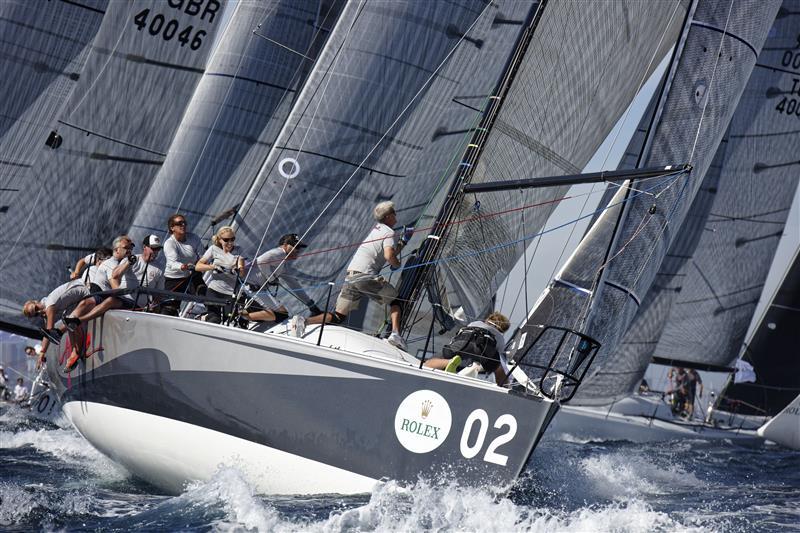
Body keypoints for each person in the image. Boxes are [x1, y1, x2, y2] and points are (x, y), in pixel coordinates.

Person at [300, 201, 413, 349]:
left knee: (339, 315)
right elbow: (388, 255)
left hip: (351, 276)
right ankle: (395, 335)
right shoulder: (389, 232)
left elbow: (385, 251)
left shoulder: (376, 230)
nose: (396, 217)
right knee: (396, 300)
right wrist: (396, 264)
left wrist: (403, 242)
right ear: (388, 216)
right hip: (366, 276)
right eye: (394, 213)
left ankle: (304, 321)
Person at [242, 234, 322, 324]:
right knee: (282, 314)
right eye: (295, 246)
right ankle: (241, 317)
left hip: (255, 290)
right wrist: (271, 278)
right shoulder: (279, 253)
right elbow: (261, 261)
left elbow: (294, 285)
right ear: (284, 245)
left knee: (280, 314)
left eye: (299, 247)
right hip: (251, 288)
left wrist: (310, 304)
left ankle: (244, 315)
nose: (297, 250)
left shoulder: (283, 265)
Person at [423, 312, 511, 385]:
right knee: (498, 368)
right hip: (483, 350)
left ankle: (450, 362)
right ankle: (503, 386)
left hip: (464, 343)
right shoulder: (500, 337)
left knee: (429, 363)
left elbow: (458, 336)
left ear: (488, 319)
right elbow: (498, 355)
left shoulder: (475, 323)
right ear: (503, 329)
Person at [22, 277, 93, 359]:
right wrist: (42, 351)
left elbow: (49, 332)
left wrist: (42, 353)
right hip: (82, 295)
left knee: (70, 321)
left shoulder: (49, 305)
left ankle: (77, 352)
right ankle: (76, 352)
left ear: (36, 302)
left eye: (36, 308)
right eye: (36, 314)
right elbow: (47, 333)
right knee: (68, 322)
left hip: (87, 289)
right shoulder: (46, 306)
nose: (39, 312)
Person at [195, 226, 245, 324]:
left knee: (229, 318)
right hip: (214, 290)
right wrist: (213, 267)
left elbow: (241, 269)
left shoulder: (239, 250)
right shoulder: (213, 249)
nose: (230, 243)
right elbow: (198, 266)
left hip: (230, 292)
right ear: (220, 240)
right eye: (226, 240)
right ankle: (202, 317)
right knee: (215, 319)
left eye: (232, 239)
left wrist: (239, 268)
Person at [162, 214, 206, 315]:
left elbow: (202, 256)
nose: (183, 225)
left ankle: (203, 314)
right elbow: (172, 263)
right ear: (172, 227)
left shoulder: (194, 238)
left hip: (191, 274)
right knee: (169, 308)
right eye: (179, 223)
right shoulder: (169, 243)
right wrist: (184, 266)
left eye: (184, 223)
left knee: (202, 290)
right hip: (174, 278)